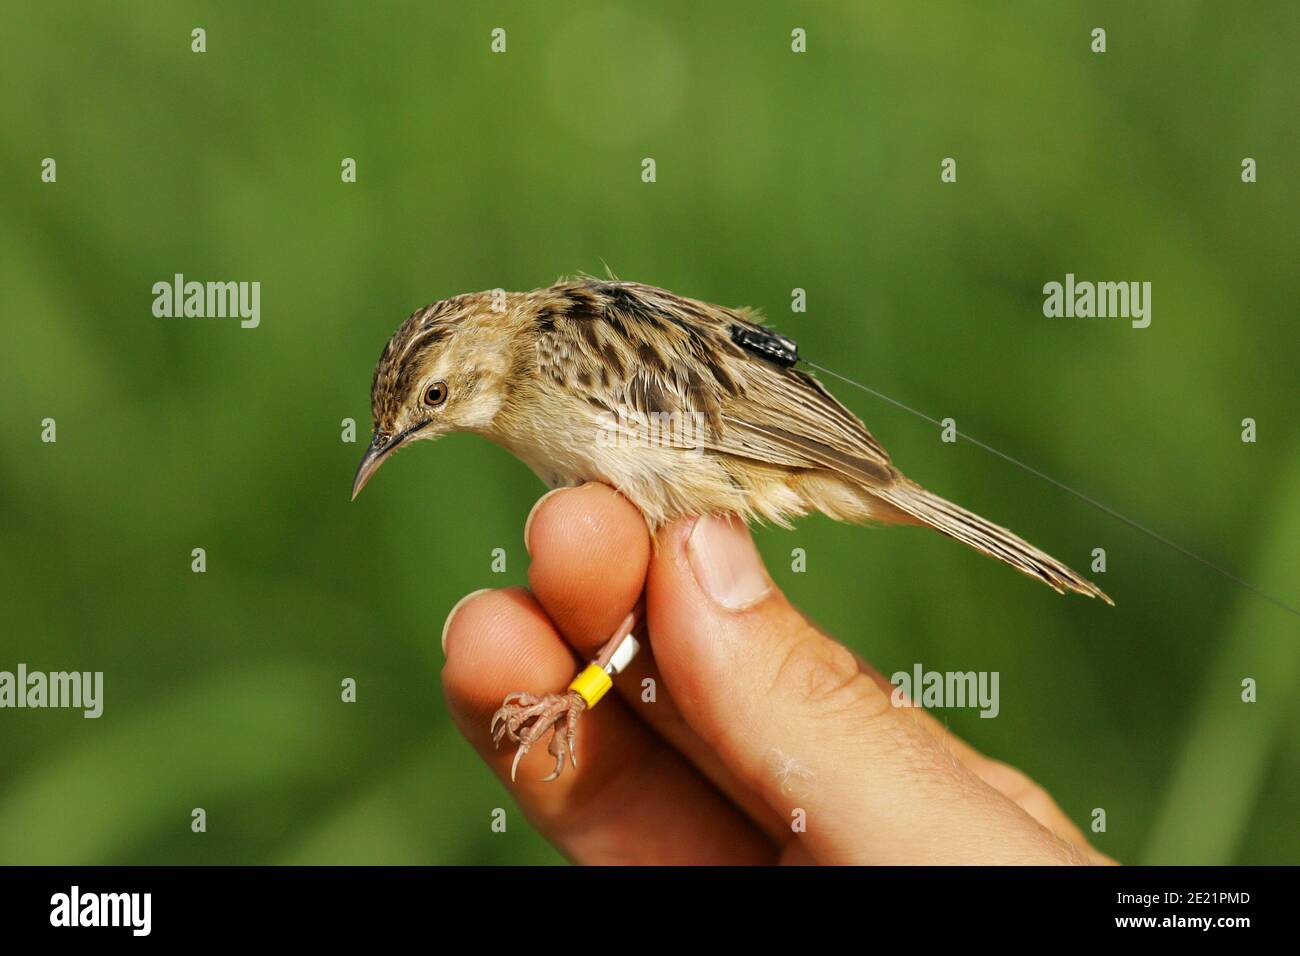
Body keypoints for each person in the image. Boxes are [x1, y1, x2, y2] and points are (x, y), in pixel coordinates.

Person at [440, 482, 1112, 865]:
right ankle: (581, 696)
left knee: (631, 577)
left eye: (435, 399)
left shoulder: (557, 357)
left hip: (750, 452)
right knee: (632, 594)